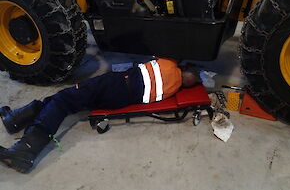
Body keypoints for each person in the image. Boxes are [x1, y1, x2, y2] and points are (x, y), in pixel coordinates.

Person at [0, 58, 200, 173]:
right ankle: (16, 119)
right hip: (121, 99)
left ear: (183, 68)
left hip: (116, 84)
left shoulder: (169, 64)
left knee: (63, 101)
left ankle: (25, 151)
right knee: (66, 97)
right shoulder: (174, 89)